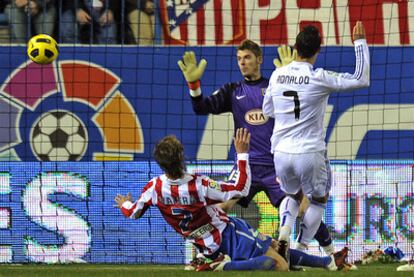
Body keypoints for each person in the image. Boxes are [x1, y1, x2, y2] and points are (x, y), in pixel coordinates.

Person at [177, 39, 335, 256]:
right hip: (246, 168)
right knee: (219, 207)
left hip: (274, 167)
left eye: (247, 58)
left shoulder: (275, 87)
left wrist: (289, 77)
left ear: (259, 59)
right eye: (239, 59)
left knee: (303, 208)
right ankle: (202, 255)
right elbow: (202, 108)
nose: (242, 63)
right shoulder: (232, 91)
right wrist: (194, 86)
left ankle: (333, 254)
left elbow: (300, 103)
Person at [114, 129, 349, 271]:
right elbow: (239, 188)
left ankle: (328, 263)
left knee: (275, 245)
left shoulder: (153, 188)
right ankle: (222, 266)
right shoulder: (198, 185)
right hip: (227, 235)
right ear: (181, 157)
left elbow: (132, 212)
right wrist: (243, 154)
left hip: (204, 245)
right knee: (279, 265)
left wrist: (124, 202)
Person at [262, 21, 370, 261]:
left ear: (294, 47)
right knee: (318, 201)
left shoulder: (277, 74)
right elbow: (360, 79)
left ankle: (284, 234)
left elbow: (267, 110)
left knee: (291, 196)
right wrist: (360, 43)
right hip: (309, 152)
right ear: (318, 51)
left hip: (280, 152)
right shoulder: (319, 77)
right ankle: (299, 251)